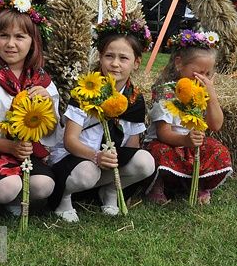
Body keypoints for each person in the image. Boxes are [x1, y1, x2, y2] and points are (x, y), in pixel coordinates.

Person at [48, 18, 156, 222]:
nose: (115, 64)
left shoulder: (134, 98)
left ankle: (111, 191)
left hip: (106, 159)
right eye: (109, 56)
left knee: (145, 162)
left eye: (123, 58)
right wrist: (96, 156)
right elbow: (70, 140)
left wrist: (116, 160)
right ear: (100, 57)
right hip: (77, 159)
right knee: (87, 173)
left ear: (136, 63)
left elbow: (132, 145)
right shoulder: (86, 90)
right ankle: (64, 196)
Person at [0, 0, 59, 222]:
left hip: (21, 152)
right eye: (3, 35)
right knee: (7, 186)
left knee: (44, 185)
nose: (10, 44)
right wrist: (9, 146)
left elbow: (52, 131)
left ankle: (11, 199)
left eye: (20, 37)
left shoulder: (42, 81)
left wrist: (47, 105)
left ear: (33, 42)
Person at [145, 30, 233, 205]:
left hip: (191, 144)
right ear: (179, 63)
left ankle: (198, 183)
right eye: (198, 72)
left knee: (218, 149)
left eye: (208, 74)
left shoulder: (202, 92)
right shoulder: (166, 92)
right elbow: (163, 133)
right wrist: (185, 140)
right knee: (159, 151)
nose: (203, 78)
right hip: (169, 142)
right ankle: (158, 185)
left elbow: (215, 125)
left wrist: (212, 95)